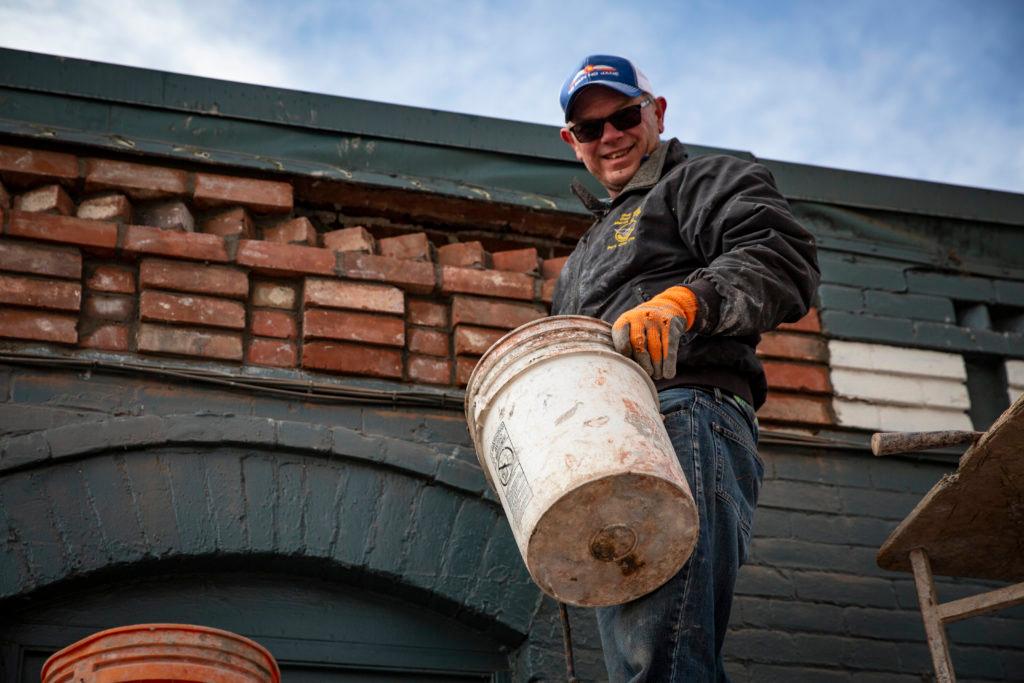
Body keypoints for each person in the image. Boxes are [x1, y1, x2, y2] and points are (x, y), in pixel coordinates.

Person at [551, 55, 820, 681]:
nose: (610, 136)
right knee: (652, 663)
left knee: (661, 659)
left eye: (623, 116)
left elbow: (780, 259)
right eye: (590, 130)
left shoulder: (704, 181)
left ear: (657, 112)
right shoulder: (581, 258)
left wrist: (685, 301)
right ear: (572, 143)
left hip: (682, 413)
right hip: (607, 448)